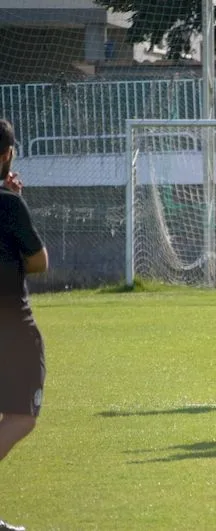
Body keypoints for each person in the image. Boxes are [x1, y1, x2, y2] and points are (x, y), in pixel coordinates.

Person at [1, 119, 49, 531]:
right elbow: (38, 262)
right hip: (11, 328)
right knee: (21, 416)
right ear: (7, 154)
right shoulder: (8, 205)